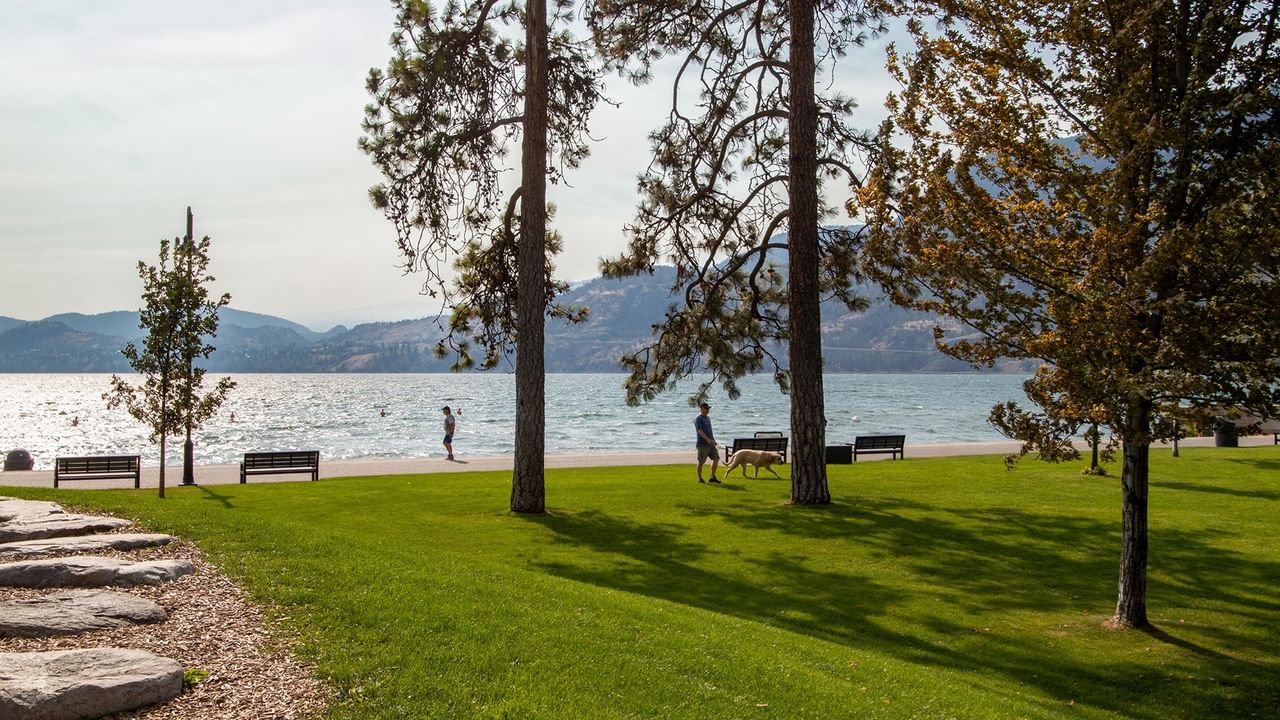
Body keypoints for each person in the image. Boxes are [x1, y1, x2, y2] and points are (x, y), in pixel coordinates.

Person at [694, 401, 720, 483]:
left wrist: (713, 440)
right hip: (702, 444)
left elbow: (710, 431)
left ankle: (712, 476)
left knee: (716, 458)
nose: (708, 410)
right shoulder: (698, 419)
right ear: (701, 408)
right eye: (706, 408)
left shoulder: (708, 418)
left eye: (708, 408)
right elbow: (700, 431)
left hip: (711, 444)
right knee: (701, 461)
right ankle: (699, 478)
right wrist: (707, 439)